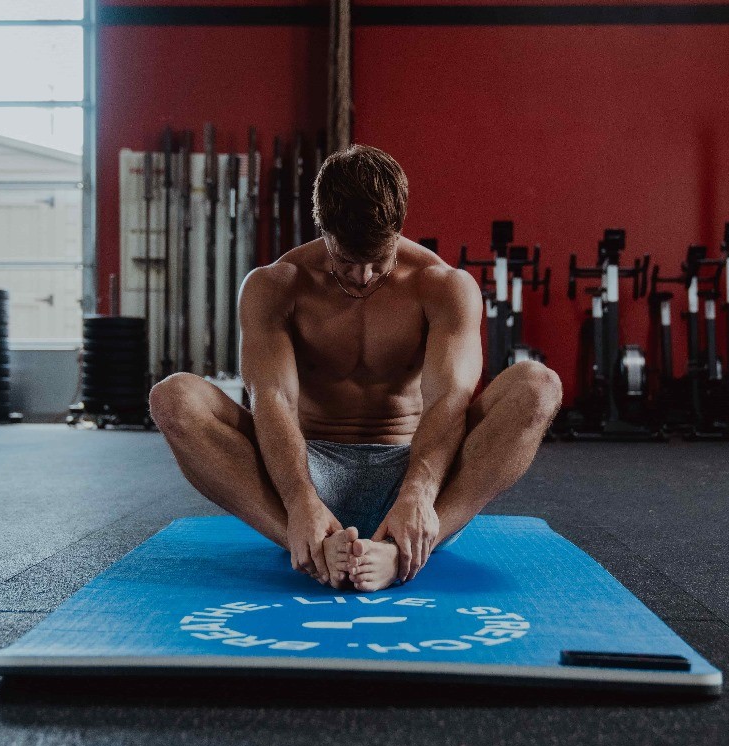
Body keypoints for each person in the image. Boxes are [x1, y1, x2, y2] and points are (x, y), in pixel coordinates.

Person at [149, 144, 562, 591]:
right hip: (305, 466)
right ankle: (305, 542)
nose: (363, 277)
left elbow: (449, 397)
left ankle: (411, 545)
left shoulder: (443, 286)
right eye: (347, 261)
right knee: (173, 398)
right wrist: (299, 498)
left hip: (415, 467)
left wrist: (419, 494)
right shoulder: (275, 285)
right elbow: (273, 398)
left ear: (399, 228)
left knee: (538, 385)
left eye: (378, 262)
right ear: (322, 229)